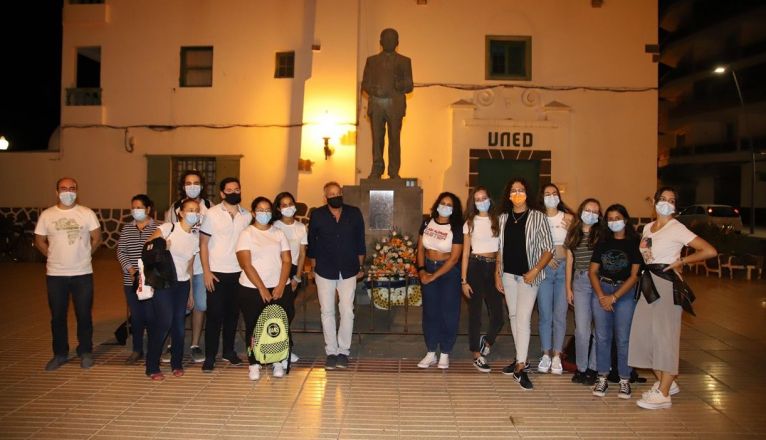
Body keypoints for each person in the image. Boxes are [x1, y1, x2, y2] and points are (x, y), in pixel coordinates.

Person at [630, 187, 717, 410]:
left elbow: (709, 251)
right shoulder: (648, 227)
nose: (666, 203)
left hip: (667, 284)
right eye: (663, 199)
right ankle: (666, 382)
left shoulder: (677, 228)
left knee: (665, 337)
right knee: (644, 336)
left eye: (671, 200)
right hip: (648, 283)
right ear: (655, 202)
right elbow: (647, 255)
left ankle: (664, 393)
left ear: (675, 206)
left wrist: (682, 263)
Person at [34, 177, 102, 371]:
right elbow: (39, 240)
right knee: (57, 316)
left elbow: (97, 238)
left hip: (82, 273)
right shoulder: (47, 215)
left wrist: (85, 254)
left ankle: (86, 351)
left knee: (84, 315)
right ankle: (60, 353)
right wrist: (52, 256)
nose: (68, 192)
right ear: (56, 192)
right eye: (63, 189)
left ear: (77, 191)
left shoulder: (86, 213)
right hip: (55, 275)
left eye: (72, 188)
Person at [495, 178, 554, 390]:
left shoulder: (538, 217)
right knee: (513, 316)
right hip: (508, 275)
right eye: (513, 190)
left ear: (527, 193)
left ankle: (521, 366)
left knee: (523, 318)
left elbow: (549, 249)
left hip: (529, 276)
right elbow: (500, 248)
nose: (517, 193)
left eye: (521, 190)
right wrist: (497, 273)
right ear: (508, 195)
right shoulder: (503, 218)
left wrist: (536, 270)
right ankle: (521, 357)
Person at [307, 182, 366, 370]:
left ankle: (343, 351)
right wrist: (313, 268)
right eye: (331, 194)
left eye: (338, 193)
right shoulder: (317, 215)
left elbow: (360, 241)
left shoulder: (354, 213)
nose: (335, 196)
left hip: (349, 268)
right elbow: (312, 244)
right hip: (324, 269)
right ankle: (331, 351)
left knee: (347, 310)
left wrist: (361, 265)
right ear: (325, 197)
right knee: (327, 311)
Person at [589, 204, 642, 400]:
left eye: (617, 217)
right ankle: (602, 377)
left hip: (624, 293)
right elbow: (592, 271)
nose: (614, 222)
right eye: (610, 219)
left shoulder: (633, 243)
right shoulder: (602, 242)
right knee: (602, 337)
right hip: (602, 289)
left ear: (625, 220)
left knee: (623, 337)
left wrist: (615, 297)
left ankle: (625, 379)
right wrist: (602, 295)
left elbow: (635, 275)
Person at [236, 197, 293, 381]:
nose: (264, 213)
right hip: (252, 288)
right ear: (253, 213)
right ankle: (254, 363)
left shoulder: (279, 233)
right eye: (260, 210)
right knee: (254, 326)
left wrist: (280, 285)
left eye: (267, 209)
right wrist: (261, 288)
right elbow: (246, 264)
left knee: (279, 325)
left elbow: (286, 261)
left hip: (278, 287)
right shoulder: (246, 234)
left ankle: (277, 360)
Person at [199, 178, 252, 372]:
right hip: (216, 273)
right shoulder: (212, 214)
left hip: (239, 273)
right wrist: (206, 271)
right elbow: (203, 243)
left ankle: (228, 351)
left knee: (233, 315)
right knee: (214, 316)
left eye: (237, 189)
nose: (233, 192)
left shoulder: (247, 216)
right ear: (222, 193)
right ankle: (210, 355)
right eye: (229, 190)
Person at [145, 199, 199, 380]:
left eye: (197, 210)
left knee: (179, 327)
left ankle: (177, 363)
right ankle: (151, 365)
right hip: (164, 284)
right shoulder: (168, 228)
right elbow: (147, 249)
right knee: (164, 323)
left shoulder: (194, 237)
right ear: (181, 213)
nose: (194, 213)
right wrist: (162, 248)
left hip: (182, 284)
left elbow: (189, 266)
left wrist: (190, 292)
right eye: (190, 210)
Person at [165, 170, 211, 363]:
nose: (192, 186)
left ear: (202, 186)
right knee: (177, 307)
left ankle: (195, 345)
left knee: (200, 305)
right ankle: (171, 344)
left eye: (196, 182)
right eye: (188, 183)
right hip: (179, 267)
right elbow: (167, 234)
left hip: (200, 266)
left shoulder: (210, 207)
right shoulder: (174, 208)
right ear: (183, 186)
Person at [417, 192, 464, 370]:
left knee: (449, 312)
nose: (445, 206)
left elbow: (454, 258)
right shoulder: (426, 222)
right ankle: (431, 352)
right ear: (437, 204)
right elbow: (420, 248)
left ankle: (445, 352)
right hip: (428, 266)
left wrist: (433, 276)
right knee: (430, 312)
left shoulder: (457, 227)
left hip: (448, 272)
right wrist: (422, 271)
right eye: (443, 203)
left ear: (454, 209)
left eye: (449, 204)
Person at [361, 28, 414, 179]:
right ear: (380, 42)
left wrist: (400, 85)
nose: (389, 41)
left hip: (394, 105)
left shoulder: (405, 61)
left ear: (397, 43)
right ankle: (377, 170)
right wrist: (373, 90)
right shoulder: (372, 61)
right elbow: (365, 83)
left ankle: (393, 171)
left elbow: (410, 85)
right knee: (377, 139)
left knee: (394, 138)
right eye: (386, 39)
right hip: (377, 103)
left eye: (392, 39)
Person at [460, 186, 503, 373]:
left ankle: (487, 340)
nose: (481, 201)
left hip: (493, 266)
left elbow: (501, 249)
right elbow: (465, 254)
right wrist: (463, 280)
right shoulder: (470, 222)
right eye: (477, 199)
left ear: (489, 199)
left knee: (499, 316)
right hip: (475, 266)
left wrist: (498, 272)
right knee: (475, 313)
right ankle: (476, 354)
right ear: (473, 203)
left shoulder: (499, 221)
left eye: (484, 197)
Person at [116, 194, 159, 365]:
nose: (136, 210)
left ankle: (154, 349)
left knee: (151, 315)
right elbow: (121, 252)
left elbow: (162, 253)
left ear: (148, 209)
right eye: (133, 207)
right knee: (137, 316)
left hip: (151, 280)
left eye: (140, 207)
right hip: (131, 280)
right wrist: (133, 271)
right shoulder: (127, 229)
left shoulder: (159, 227)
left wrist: (148, 272)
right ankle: (137, 349)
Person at [536, 184, 574, 375]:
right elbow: (531, 244)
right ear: (542, 197)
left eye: (554, 194)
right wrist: (543, 260)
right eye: (547, 194)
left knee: (560, 314)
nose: (551, 197)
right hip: (544, 269)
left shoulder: (568, 218)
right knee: (545, 314)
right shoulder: (537, 218)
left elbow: (574, 246)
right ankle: (545, 353)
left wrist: (574, 229)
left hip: (563, 269)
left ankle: (557, 355)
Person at [564, 198, 603, 385]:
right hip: (580, 282)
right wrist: (568, 288)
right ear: (581, 212)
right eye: (588, 210)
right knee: (581, 329)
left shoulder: (602, 235)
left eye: (595, 211)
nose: (591, 214)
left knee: (598, 329)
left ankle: (594, 369)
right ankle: (581, 368)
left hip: (600, 283)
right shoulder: (573, 233)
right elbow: (569, 262)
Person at [273, 191, 307, 363]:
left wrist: (297, 278)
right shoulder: (274, 226)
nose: (288, 208)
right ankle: (279, 349)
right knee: (277, 312)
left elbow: (302, 255)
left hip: (293, 271)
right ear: (278, 208)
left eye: (290, 204)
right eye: (284, 205)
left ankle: (285, 348)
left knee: (288, 312)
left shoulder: (301, 227)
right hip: (275, 271)